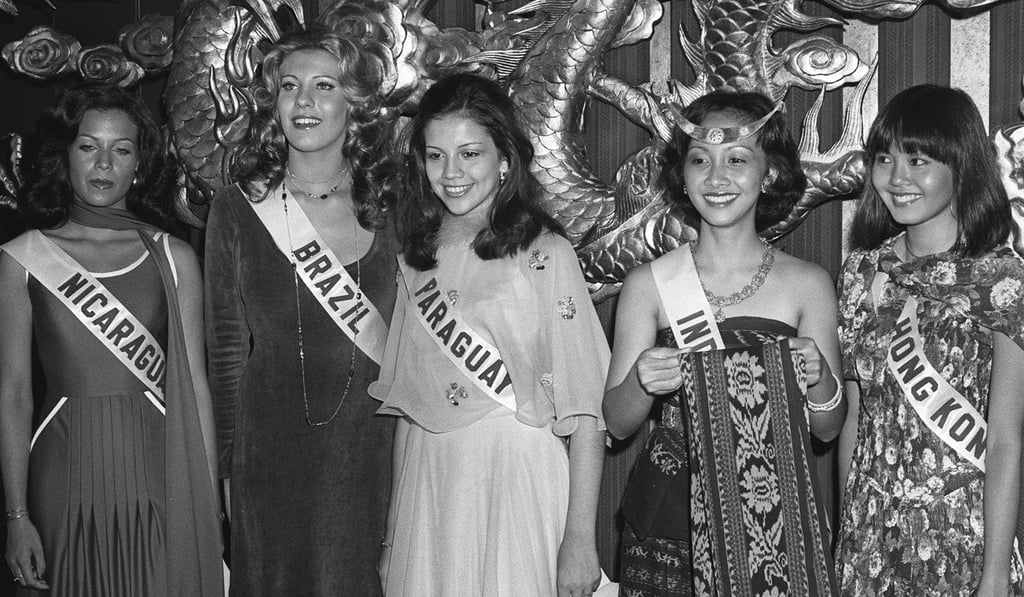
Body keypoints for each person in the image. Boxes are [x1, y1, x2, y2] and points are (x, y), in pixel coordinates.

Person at [369, 73, 608, 597]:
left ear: (504, 158)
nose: (451, 173)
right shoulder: (417, 258)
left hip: (515, 473)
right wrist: (392, 539)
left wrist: (580, 539)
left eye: (470, 154)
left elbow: (587, 412)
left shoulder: (545, 253)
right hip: (430, 482)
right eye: (435, 156)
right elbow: (411, 409)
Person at [603, 90, 845, 596]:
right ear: (682, 175)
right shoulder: (648, 284)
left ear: (769, 173)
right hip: (668, 519)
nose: (716, 178)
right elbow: (617, 423)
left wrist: (821, 379)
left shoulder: (809, 283)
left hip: (772, 517)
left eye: (736, 159)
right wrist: (642, 382)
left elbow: (827, 430)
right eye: (700, 160)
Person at [0, 83, 222, 596]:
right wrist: (16, 515)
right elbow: (13, 393)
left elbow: (196, 388)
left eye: (121, 150)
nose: (103, 164)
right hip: (61, 473)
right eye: (88, 146)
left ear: (139, 164)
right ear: (65, 156)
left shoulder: (174, 257)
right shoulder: (22, 258)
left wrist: (207, 504)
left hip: (159, 469)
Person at [204, 26, 398, 596]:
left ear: (354, 104)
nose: (304, 101)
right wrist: (226, 473)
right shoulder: (238, 208)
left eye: (324, 86)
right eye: (289, 86)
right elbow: (226, 353)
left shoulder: (392, 208)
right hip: (268, 450)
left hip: (369, 447)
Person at [836, 84, 1024, 596]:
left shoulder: (1002, 279)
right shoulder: (861, 273)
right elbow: (856, 418)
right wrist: (845, 541)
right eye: (885, 159)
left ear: (962, 166)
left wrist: (994, 575)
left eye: (918, 161)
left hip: (964, 535)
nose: (897, 178)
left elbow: (1005, 440)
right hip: (869, 534)